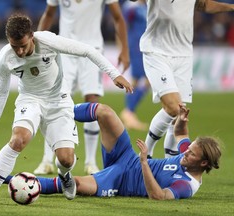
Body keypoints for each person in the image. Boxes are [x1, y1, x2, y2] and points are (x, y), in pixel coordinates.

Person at [0, 14, 133, 205]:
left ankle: (64, 176)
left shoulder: (48, 41)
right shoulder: (6, 57)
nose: (20, 51)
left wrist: (114, 74)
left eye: (23, 45)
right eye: (15, 46)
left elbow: (87, 51)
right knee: (18, 139)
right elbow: (1, 91)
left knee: (66, 159)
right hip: (30, 100)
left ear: (32, 36)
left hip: (59, 100)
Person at [0, 102, 222, 200]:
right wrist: (181, 119)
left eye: (191, 154)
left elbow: (158, 197)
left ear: (202, 164)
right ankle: (56, 111)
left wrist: (143, 162)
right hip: (126, 157)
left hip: (119, 180)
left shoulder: (186, 186)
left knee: (72, 183)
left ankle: (5, 178)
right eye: (188, 150)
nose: (185, 153)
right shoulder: (187, 157)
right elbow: (181, 134)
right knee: (105, 112)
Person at [33, 0, 130, 175]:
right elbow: (48, 14)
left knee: (92, 100)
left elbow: (118, 17)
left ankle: (90, 162)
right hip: (64, 50)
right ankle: (47, 160)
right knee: (55, 101)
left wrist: (124, 50)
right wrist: (37, 45)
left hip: (92, 50)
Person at [130, 0, 234, 158]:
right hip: (157, 51)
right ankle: (145, 155)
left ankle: (170, 165)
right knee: (174, 108)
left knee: (180, 115)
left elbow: (203, 4)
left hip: (184, 53)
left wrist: (231, 7)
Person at [120, 0, 150, 131]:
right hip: (136, 47)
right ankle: (129, 112)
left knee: (139, 81)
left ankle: (129, 113)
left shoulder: (147, 6)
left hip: (147, 46)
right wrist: (123, 47)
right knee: (144, 80)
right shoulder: (131, 7)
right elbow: (122, 26)